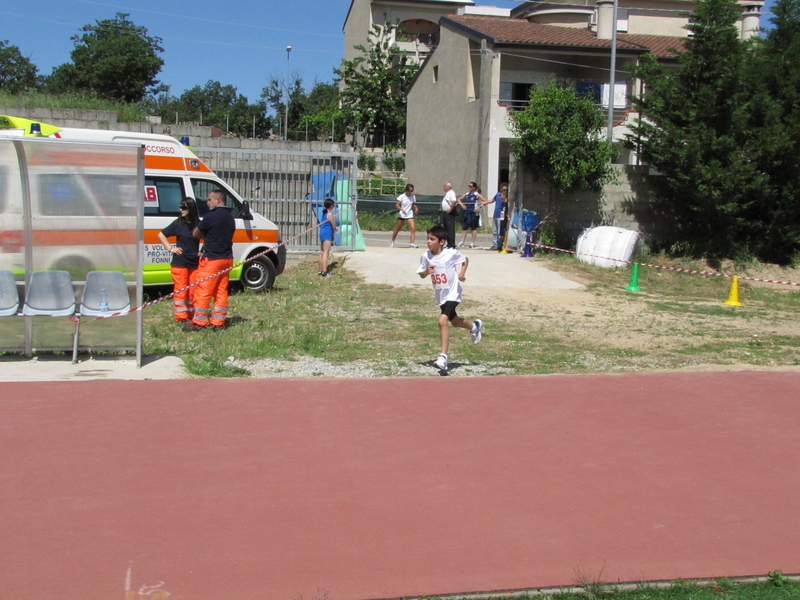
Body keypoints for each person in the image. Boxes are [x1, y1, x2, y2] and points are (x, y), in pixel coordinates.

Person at [416, 225, 483, 372]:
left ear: (441, 242)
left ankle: (443, 357)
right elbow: (421, 274)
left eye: (432, 239)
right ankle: (474, 327)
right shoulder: (426, 256)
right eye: (427, 238)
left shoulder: (450, 254)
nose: (428, 241)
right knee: (455, 322)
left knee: (442, 321)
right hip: (441, 295)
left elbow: (465, 259)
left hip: (453, 293)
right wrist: (426, 272)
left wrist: (462, 273)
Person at [185, 189, 236, 331]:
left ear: (218, 201)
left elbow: (195, 233)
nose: (207, 202)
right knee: (221, 291)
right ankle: (218, 322)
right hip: (226, 259)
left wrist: (207, 238)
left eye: (210, 200)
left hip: (212, 259)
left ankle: (199, 323)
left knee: (203, 290)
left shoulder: (210, 217)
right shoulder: (230, 217)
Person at [157, 198, 200, 323]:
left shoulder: (198, 224)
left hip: (194, 262)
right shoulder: (178, 223)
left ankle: (192, 314)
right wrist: (170, 248)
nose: (181, 210)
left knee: (193, 291)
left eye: (184, 208)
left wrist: (202, 251)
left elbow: (208, 238)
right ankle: (181, 317)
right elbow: (161, 235)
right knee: (181, 291)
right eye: (180, 207)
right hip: (180, 262)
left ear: (191, 209)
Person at [456, 182, 487, 248]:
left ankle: (472, 242)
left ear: (474, 188)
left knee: (473, 228)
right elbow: (458, 199)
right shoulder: (467, 194)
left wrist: (479, 207)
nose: (469, 187)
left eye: (470, 186)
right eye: (469, 186)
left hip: (473, 213)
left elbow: (485, 201)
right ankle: (462, 241)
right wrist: (462, 205)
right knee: (464, 227)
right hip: (467, 212)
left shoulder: (477, 195)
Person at [390, 183, 419, 248]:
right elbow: (397, 205)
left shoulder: (413, 196)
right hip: (402, 214)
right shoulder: (402, 196)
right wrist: (402, 209)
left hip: (409, 214)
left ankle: (412, 243)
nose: (411, 192)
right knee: (398, 228)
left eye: (412, 191)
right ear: (406, 190)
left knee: (413, 228)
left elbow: (413, 204)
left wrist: (415, 207)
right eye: (410, 191)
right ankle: (392, 241)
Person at [482, 182, 509, 250]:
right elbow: (492, 200)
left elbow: (507, 204)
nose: (504, 192)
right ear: (500, 189)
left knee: (500, 231)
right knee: (495, 231)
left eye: (506, 190)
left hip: (501, 216)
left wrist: (505, 199)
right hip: (495, 215)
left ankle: (500, 245)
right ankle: (495, 244)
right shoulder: (498, 194)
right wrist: (485, 202)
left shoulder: (506, 197)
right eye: (503, 190)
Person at [319, 198, 339, 277]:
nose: (334, 206)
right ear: (331, 206)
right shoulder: (329, 214)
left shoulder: (323, 213)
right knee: (326, 253)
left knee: (322, 252)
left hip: (322, 233)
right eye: (333, 205)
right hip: (327, 234)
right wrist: (335, 229)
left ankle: (320, 270)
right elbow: (333, 225)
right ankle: (325, 272)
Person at [440, 181, 458, 249]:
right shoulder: (447, 193)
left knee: (450, 229)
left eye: (445, 186)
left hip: (449, 213)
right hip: (445, 213)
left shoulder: (451, 193)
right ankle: (448, 243)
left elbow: (454, 201)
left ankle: (451, 244)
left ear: (449, 187)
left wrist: (450, 209)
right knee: (446, 228)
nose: (443, 187)